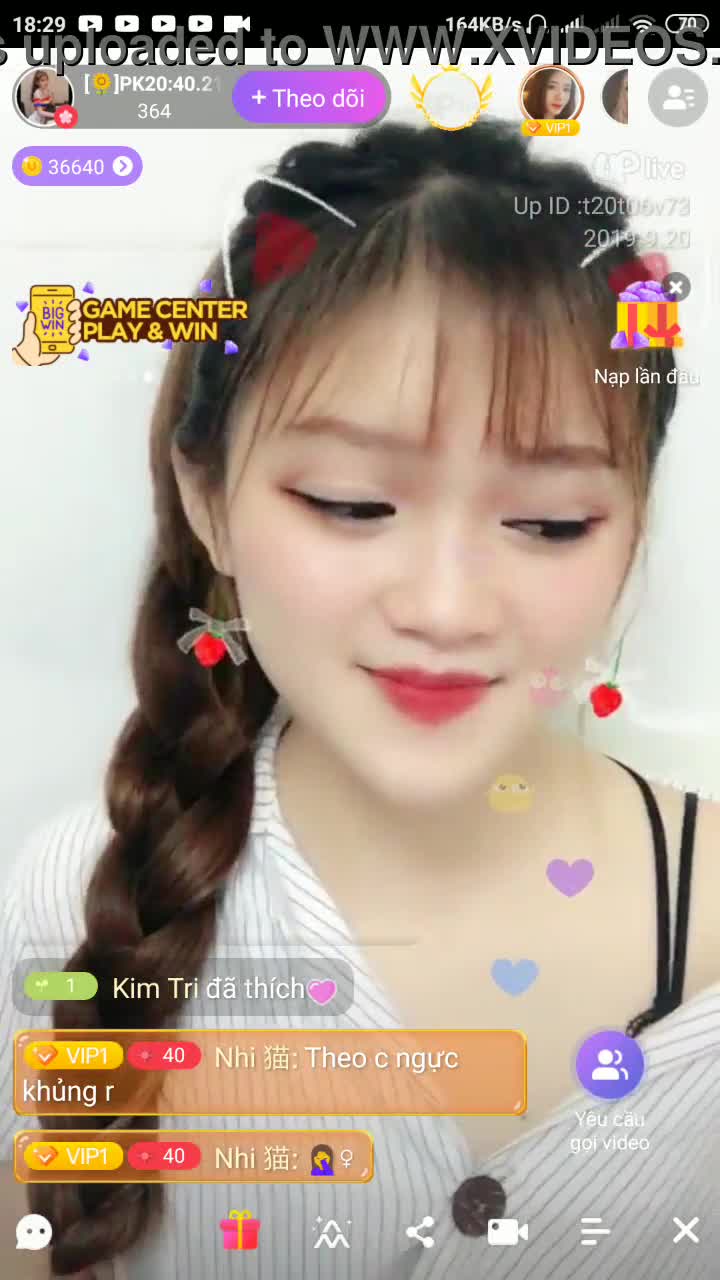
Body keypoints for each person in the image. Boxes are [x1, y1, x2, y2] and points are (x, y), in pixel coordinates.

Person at [1, 120, 719, 1280]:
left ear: (634, 525)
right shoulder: (81, 892)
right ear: (208, 498)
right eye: (349, 502)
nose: (444, 605)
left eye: (549, 521)